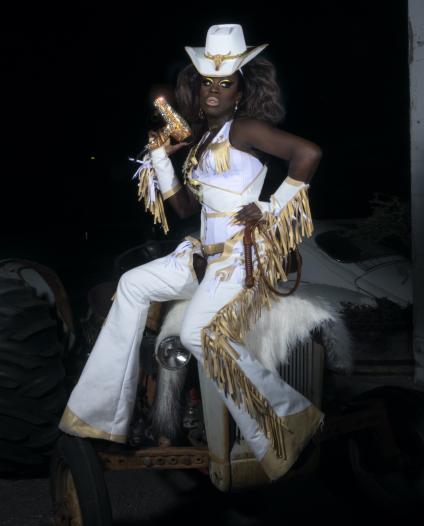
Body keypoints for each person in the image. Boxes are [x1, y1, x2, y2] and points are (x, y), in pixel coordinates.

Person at [59, 23, 324, 481]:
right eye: (207, 82)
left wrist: (270, 209)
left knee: (200, 336)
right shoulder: (205, 139)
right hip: (202, 255)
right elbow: (182, 207)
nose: (214, 91)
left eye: (225, 83)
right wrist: (161, 157)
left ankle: (289, 419)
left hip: (242, 257)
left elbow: (308, 154)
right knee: (132, 283)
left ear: (242, 89)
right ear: (196, 85)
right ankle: (101, 415)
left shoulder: (246, 129)